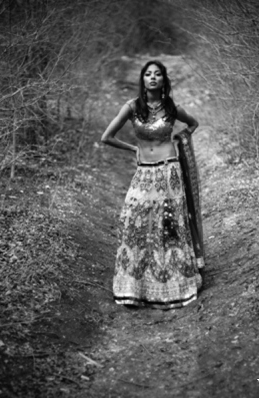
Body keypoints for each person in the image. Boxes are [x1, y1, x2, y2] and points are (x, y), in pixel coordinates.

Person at [101, 60, 205, 310]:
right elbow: (107, 137)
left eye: (158, 74)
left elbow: (193, 124)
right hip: (144, 173)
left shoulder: (171, 107)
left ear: (163, 79)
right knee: (134, 219)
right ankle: (135, 286)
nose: (153, 77)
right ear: (143, 80)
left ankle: (174, 281)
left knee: (168, 223)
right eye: (148, 74)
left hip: (169, 170)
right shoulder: (132, 107)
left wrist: (181, 139)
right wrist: (133, 148)